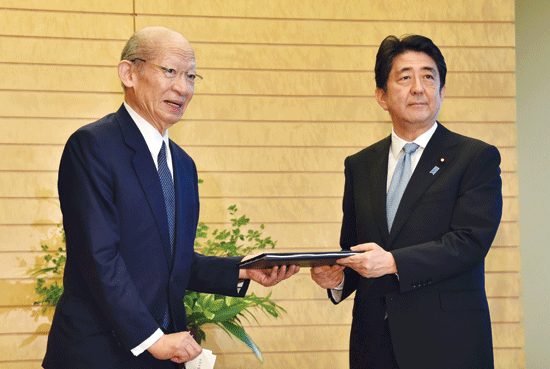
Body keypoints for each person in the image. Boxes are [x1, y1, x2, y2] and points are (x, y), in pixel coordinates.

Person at [42, 26, 299, 369]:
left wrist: (243, 270)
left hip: (165, 354)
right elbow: (99, 258)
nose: (183, 87)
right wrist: (153, 339)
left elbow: (174, 263)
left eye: (191, 76)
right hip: (98, 353)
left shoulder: (182, 164)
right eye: (170, 72)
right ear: (129, 73)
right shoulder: (92, 147)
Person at [310, 35, 502, 369]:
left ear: (441, 92)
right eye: (405, 77)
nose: (418, 87)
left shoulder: (474, 158)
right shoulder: (359, 165)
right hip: (374, 345)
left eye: (429, 76)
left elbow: (470, 242)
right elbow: (357, 250)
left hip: (448, 343)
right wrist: (338, 279)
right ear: (381, 96)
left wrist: (393, 262)